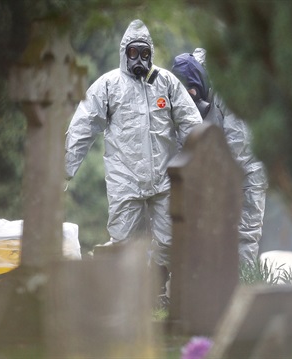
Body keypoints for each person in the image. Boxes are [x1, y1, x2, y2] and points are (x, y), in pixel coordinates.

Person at [64, 20, 202, 293]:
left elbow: (191, 124)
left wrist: (200, 164)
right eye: (132, 53)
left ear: (150, 54)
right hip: (124, 181)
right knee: (124, 241)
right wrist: (62, 171)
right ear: (123, 52)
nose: (138, 59)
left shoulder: (166, 83)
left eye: (144, 53)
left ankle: (157, 287)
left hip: (164, 179)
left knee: (169, 240)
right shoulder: (108, 85)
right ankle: (125, 297)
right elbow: (82, 128)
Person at [172, 48, 268, 268]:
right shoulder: (179, 96)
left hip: (247, 170)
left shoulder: (228, 86)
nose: (191, 99)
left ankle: (240, 286)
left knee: (244, 233)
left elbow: (238, 143)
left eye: (193, 93)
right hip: (213, 171)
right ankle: (207, 289)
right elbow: (181, 140)